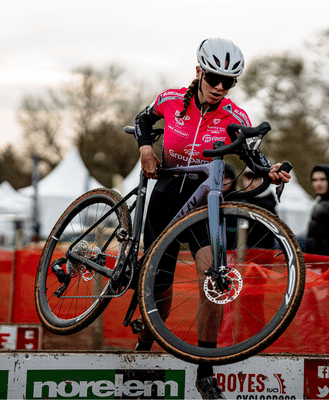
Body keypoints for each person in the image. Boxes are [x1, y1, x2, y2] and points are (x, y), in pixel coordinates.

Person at [133, 37, 290, 399]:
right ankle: (143, 345)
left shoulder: (235, 117)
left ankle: (206, 369)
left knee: (214, 281)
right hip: (168, 195)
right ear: (200, 71)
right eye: (214, 78)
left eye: (229, 82)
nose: (220, 87)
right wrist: (145, 147)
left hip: (206, 204)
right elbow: (143, 119)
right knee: (160, 289)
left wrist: (272, 170)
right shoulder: (172, 100)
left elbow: (253, 156)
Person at [241, 169, 278, 248]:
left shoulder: (268, 205)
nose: (251, 182)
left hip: (260, 252)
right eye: (248, 178)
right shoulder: (240, 201)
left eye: (256, 178)